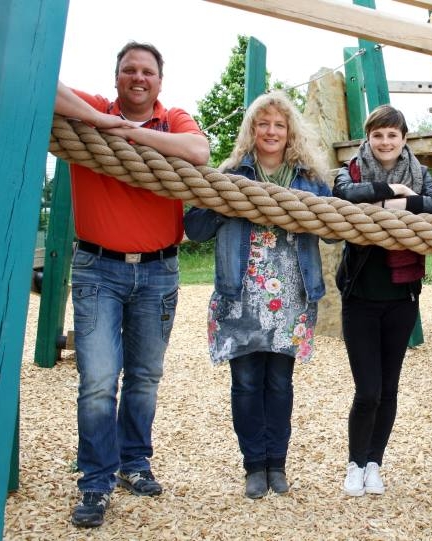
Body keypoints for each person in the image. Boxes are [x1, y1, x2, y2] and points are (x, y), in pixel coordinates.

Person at [54, 41, 210, 528]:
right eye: (129, 70)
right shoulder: (95, 112)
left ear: (160, 81)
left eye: (147, 71)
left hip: (159, 269)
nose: (138, 77)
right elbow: (39, 88)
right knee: (98, 380)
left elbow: (199, 151)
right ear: (116, 76)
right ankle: (96, 480)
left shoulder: (173, 119)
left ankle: (135, 462)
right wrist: (104, 124)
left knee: (145, 376)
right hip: (99, 267)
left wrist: (134, 137)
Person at [183, 91, 332, 499]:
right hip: (241, 295)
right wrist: (229, 201)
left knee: (280, 383)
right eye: (263, 123)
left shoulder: (309, 179)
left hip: (290, 297)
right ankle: (253, 466)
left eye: (279, 125)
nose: (271, 131)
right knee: (247, 383)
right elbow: (194, 228)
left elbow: (336, 228)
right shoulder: (232, 173)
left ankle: (276, 464)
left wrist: (309, 207)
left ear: (289, 132)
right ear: (252, 129)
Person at [332, 105, 432, 497]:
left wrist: (384, 206)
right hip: (361, 295)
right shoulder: (353, 168)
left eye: (392, 135)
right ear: (369, 138)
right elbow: (345, 196)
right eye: (377, 135)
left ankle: (375, 463)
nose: (385, 142)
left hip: (402, 295)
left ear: (404, 139)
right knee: (368, 390)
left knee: (390, 388)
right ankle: (354, 463)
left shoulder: (420, 172)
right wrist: (393, 192)